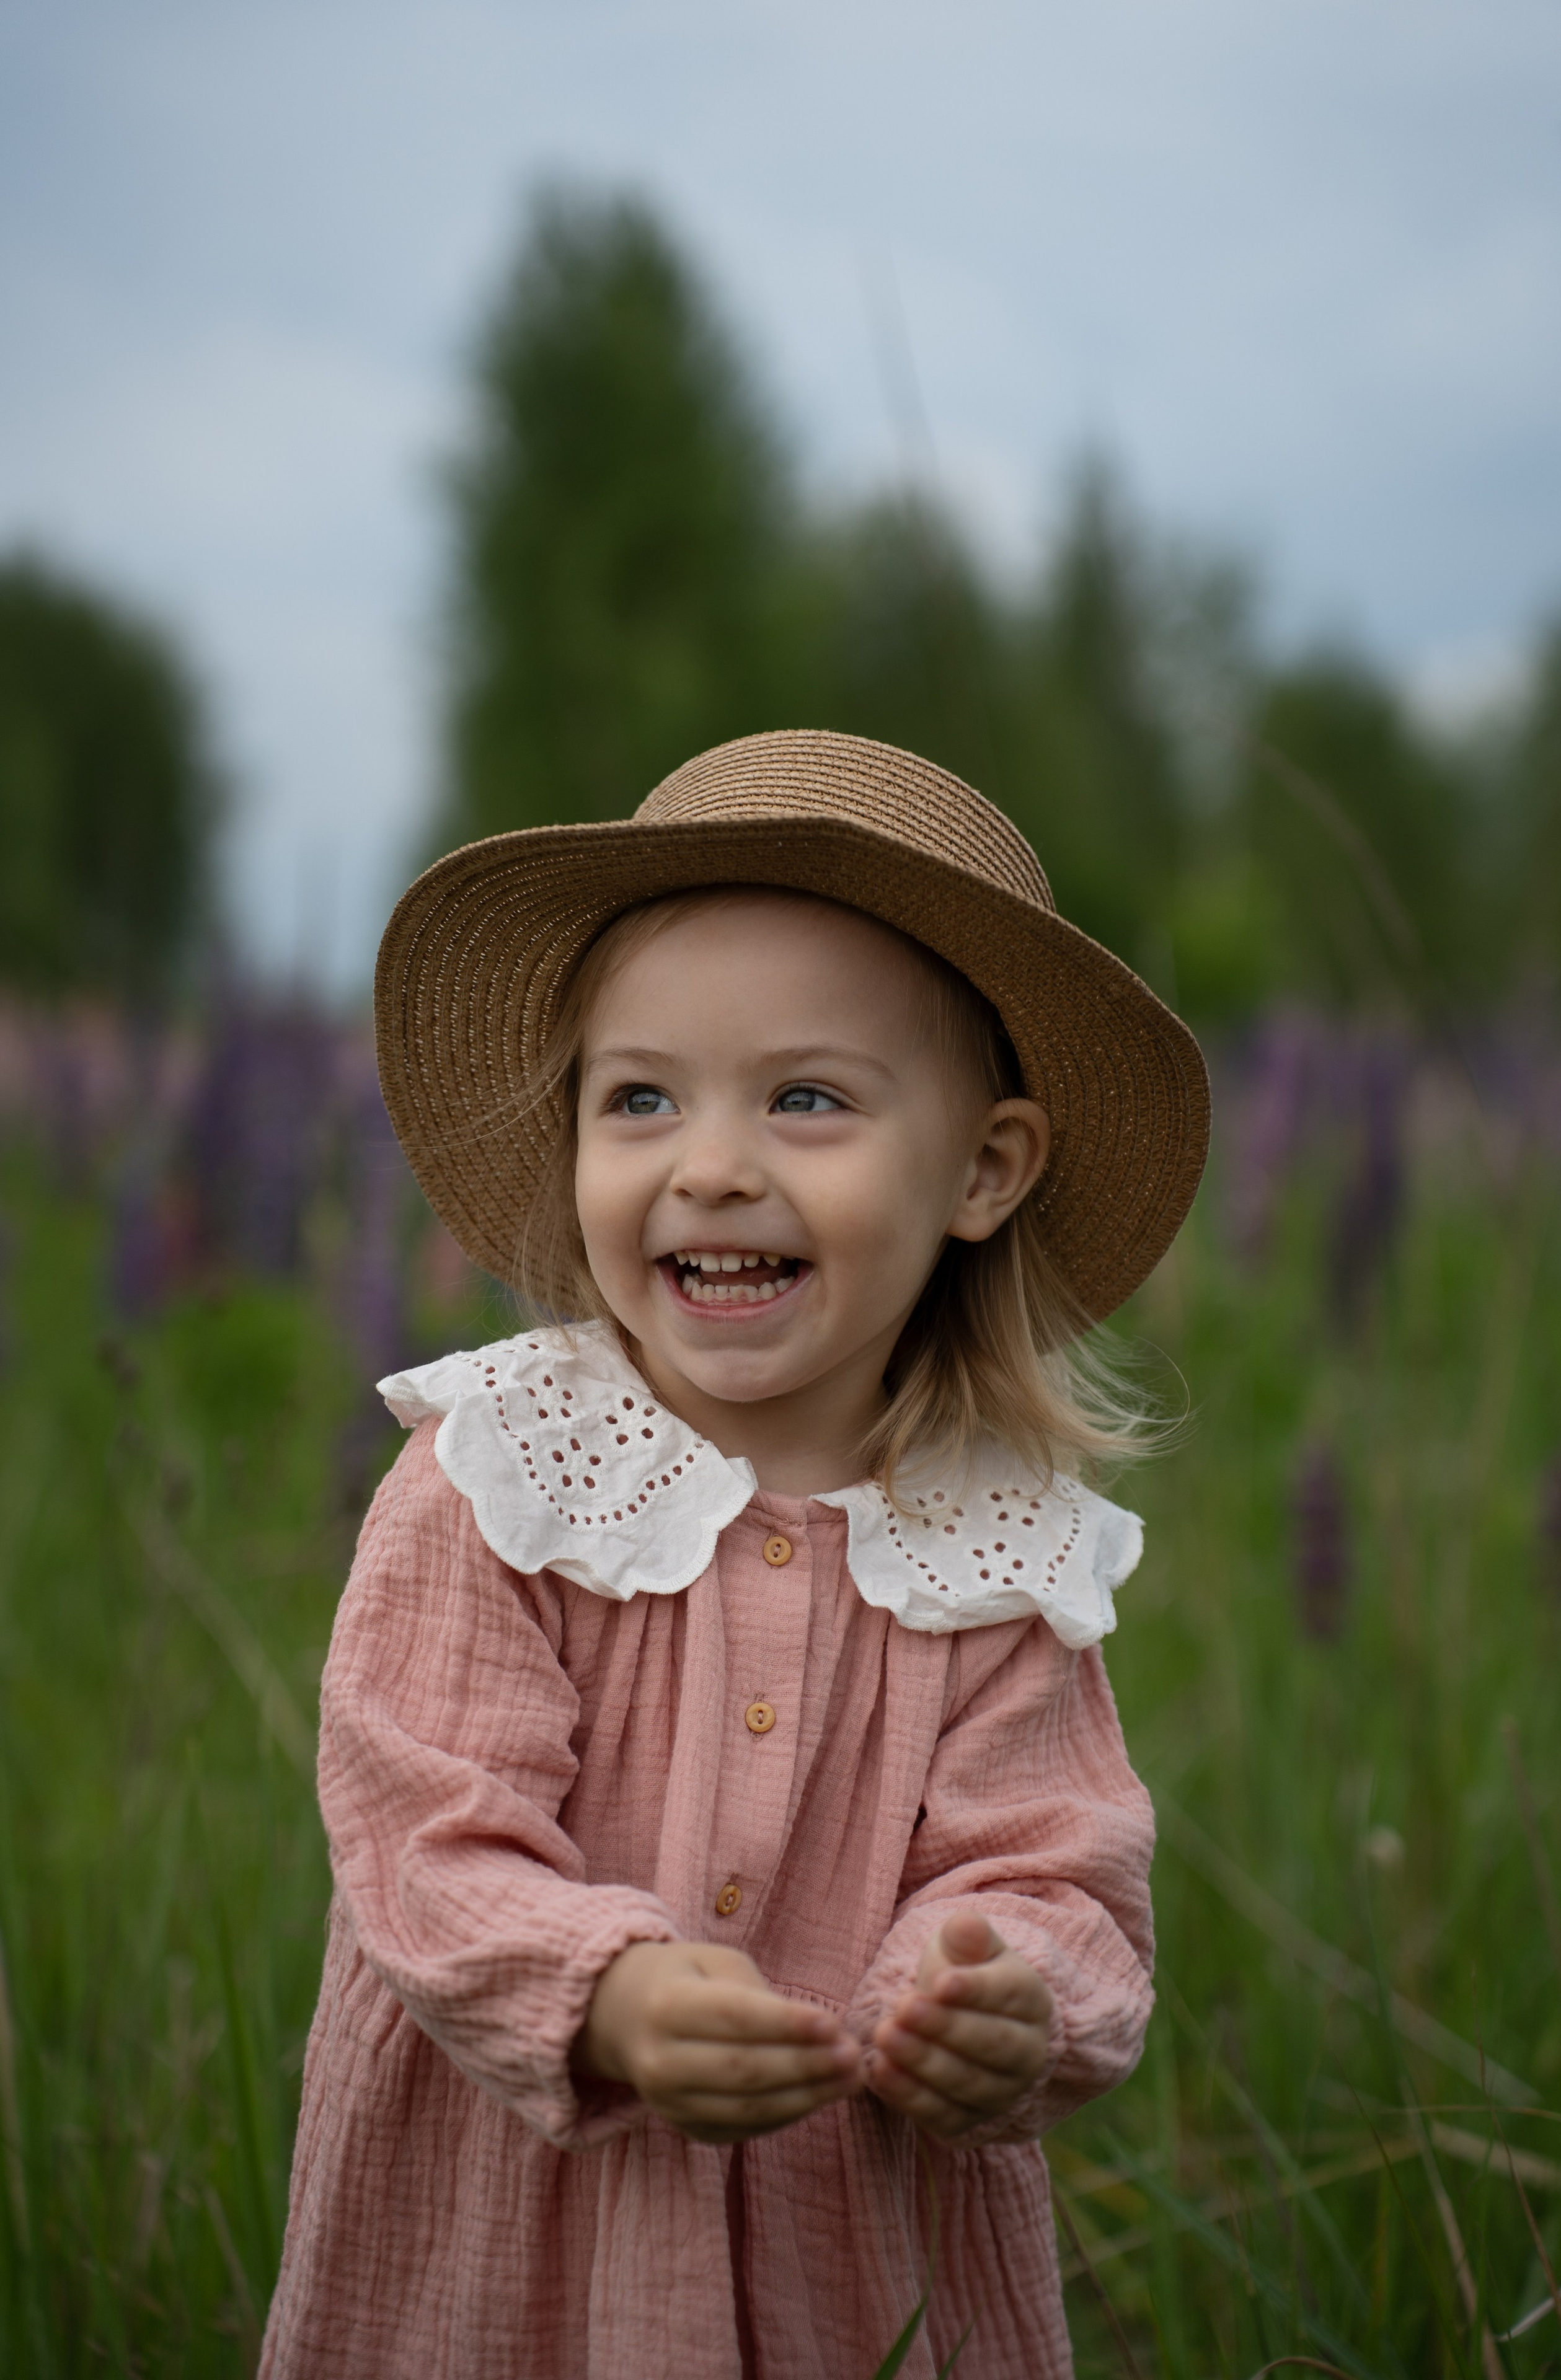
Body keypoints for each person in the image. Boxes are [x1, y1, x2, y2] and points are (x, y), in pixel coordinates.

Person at [261, 730, 1209, 2379]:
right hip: (518, 2242)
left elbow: (1055, 1870)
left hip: (853, 2257)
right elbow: (420, 1827)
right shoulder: (498, 1475)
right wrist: (604, 1994)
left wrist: (992, 1995)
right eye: (640, 1098)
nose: (708, 1163)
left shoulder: (987, 1552)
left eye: (807, 1098)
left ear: (983, 1169)